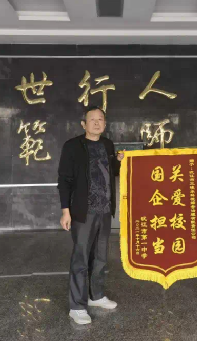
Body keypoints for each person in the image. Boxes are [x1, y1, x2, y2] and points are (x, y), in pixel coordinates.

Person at [57, 105, 124, 325]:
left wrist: (119, 161)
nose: (97, 123)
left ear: (105, 123)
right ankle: (76, 307)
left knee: (101, 258)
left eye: (100, 119)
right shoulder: (72, 146)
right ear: (83, 124)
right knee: (81, 259)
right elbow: (64, 180)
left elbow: (111, 172)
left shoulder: (107, 145)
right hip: (82, 212)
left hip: (104, 211)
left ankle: (96, 296)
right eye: (92, 119)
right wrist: (65, 211)